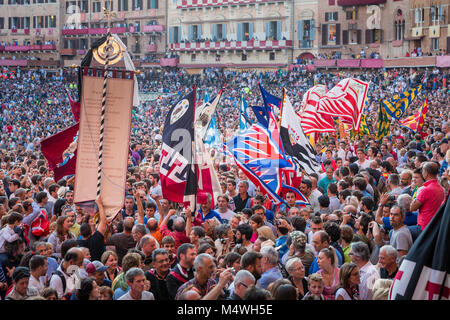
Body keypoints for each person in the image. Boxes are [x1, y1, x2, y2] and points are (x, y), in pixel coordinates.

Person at [410, 162, 445, 230]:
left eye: (423, 171)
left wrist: (414, 201)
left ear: (426, 173)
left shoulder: (425, 190)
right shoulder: (441, 188)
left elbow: (412, 208)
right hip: (435, 225)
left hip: (424, 227)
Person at [77, 196, 108, 261]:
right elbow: (103, 222)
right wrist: (99, 204)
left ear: (80, 233)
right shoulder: (96, 238)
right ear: (90, 232)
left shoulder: (77, 244)